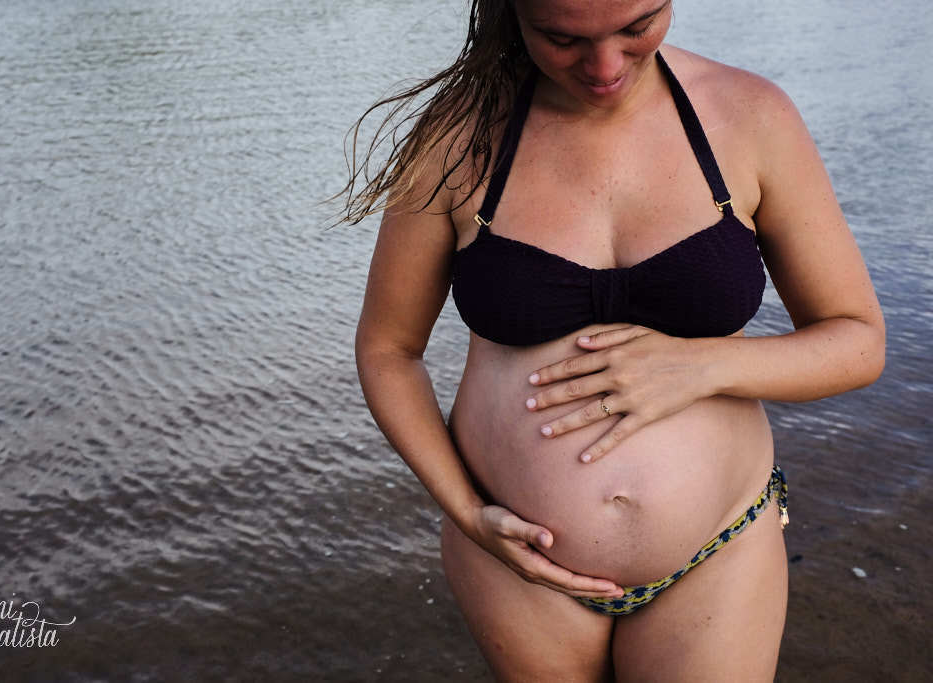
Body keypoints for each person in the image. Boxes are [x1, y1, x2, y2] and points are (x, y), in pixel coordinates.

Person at [341, 1, 885, 680]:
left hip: (717, 550)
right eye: (562, 38)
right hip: (516, 561)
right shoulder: (457, 141)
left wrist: (704, 365)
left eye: (636, 27)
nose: (603, 67)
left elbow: (858, 340)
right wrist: (468, 511)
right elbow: (389, 351)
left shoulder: (751, 117)